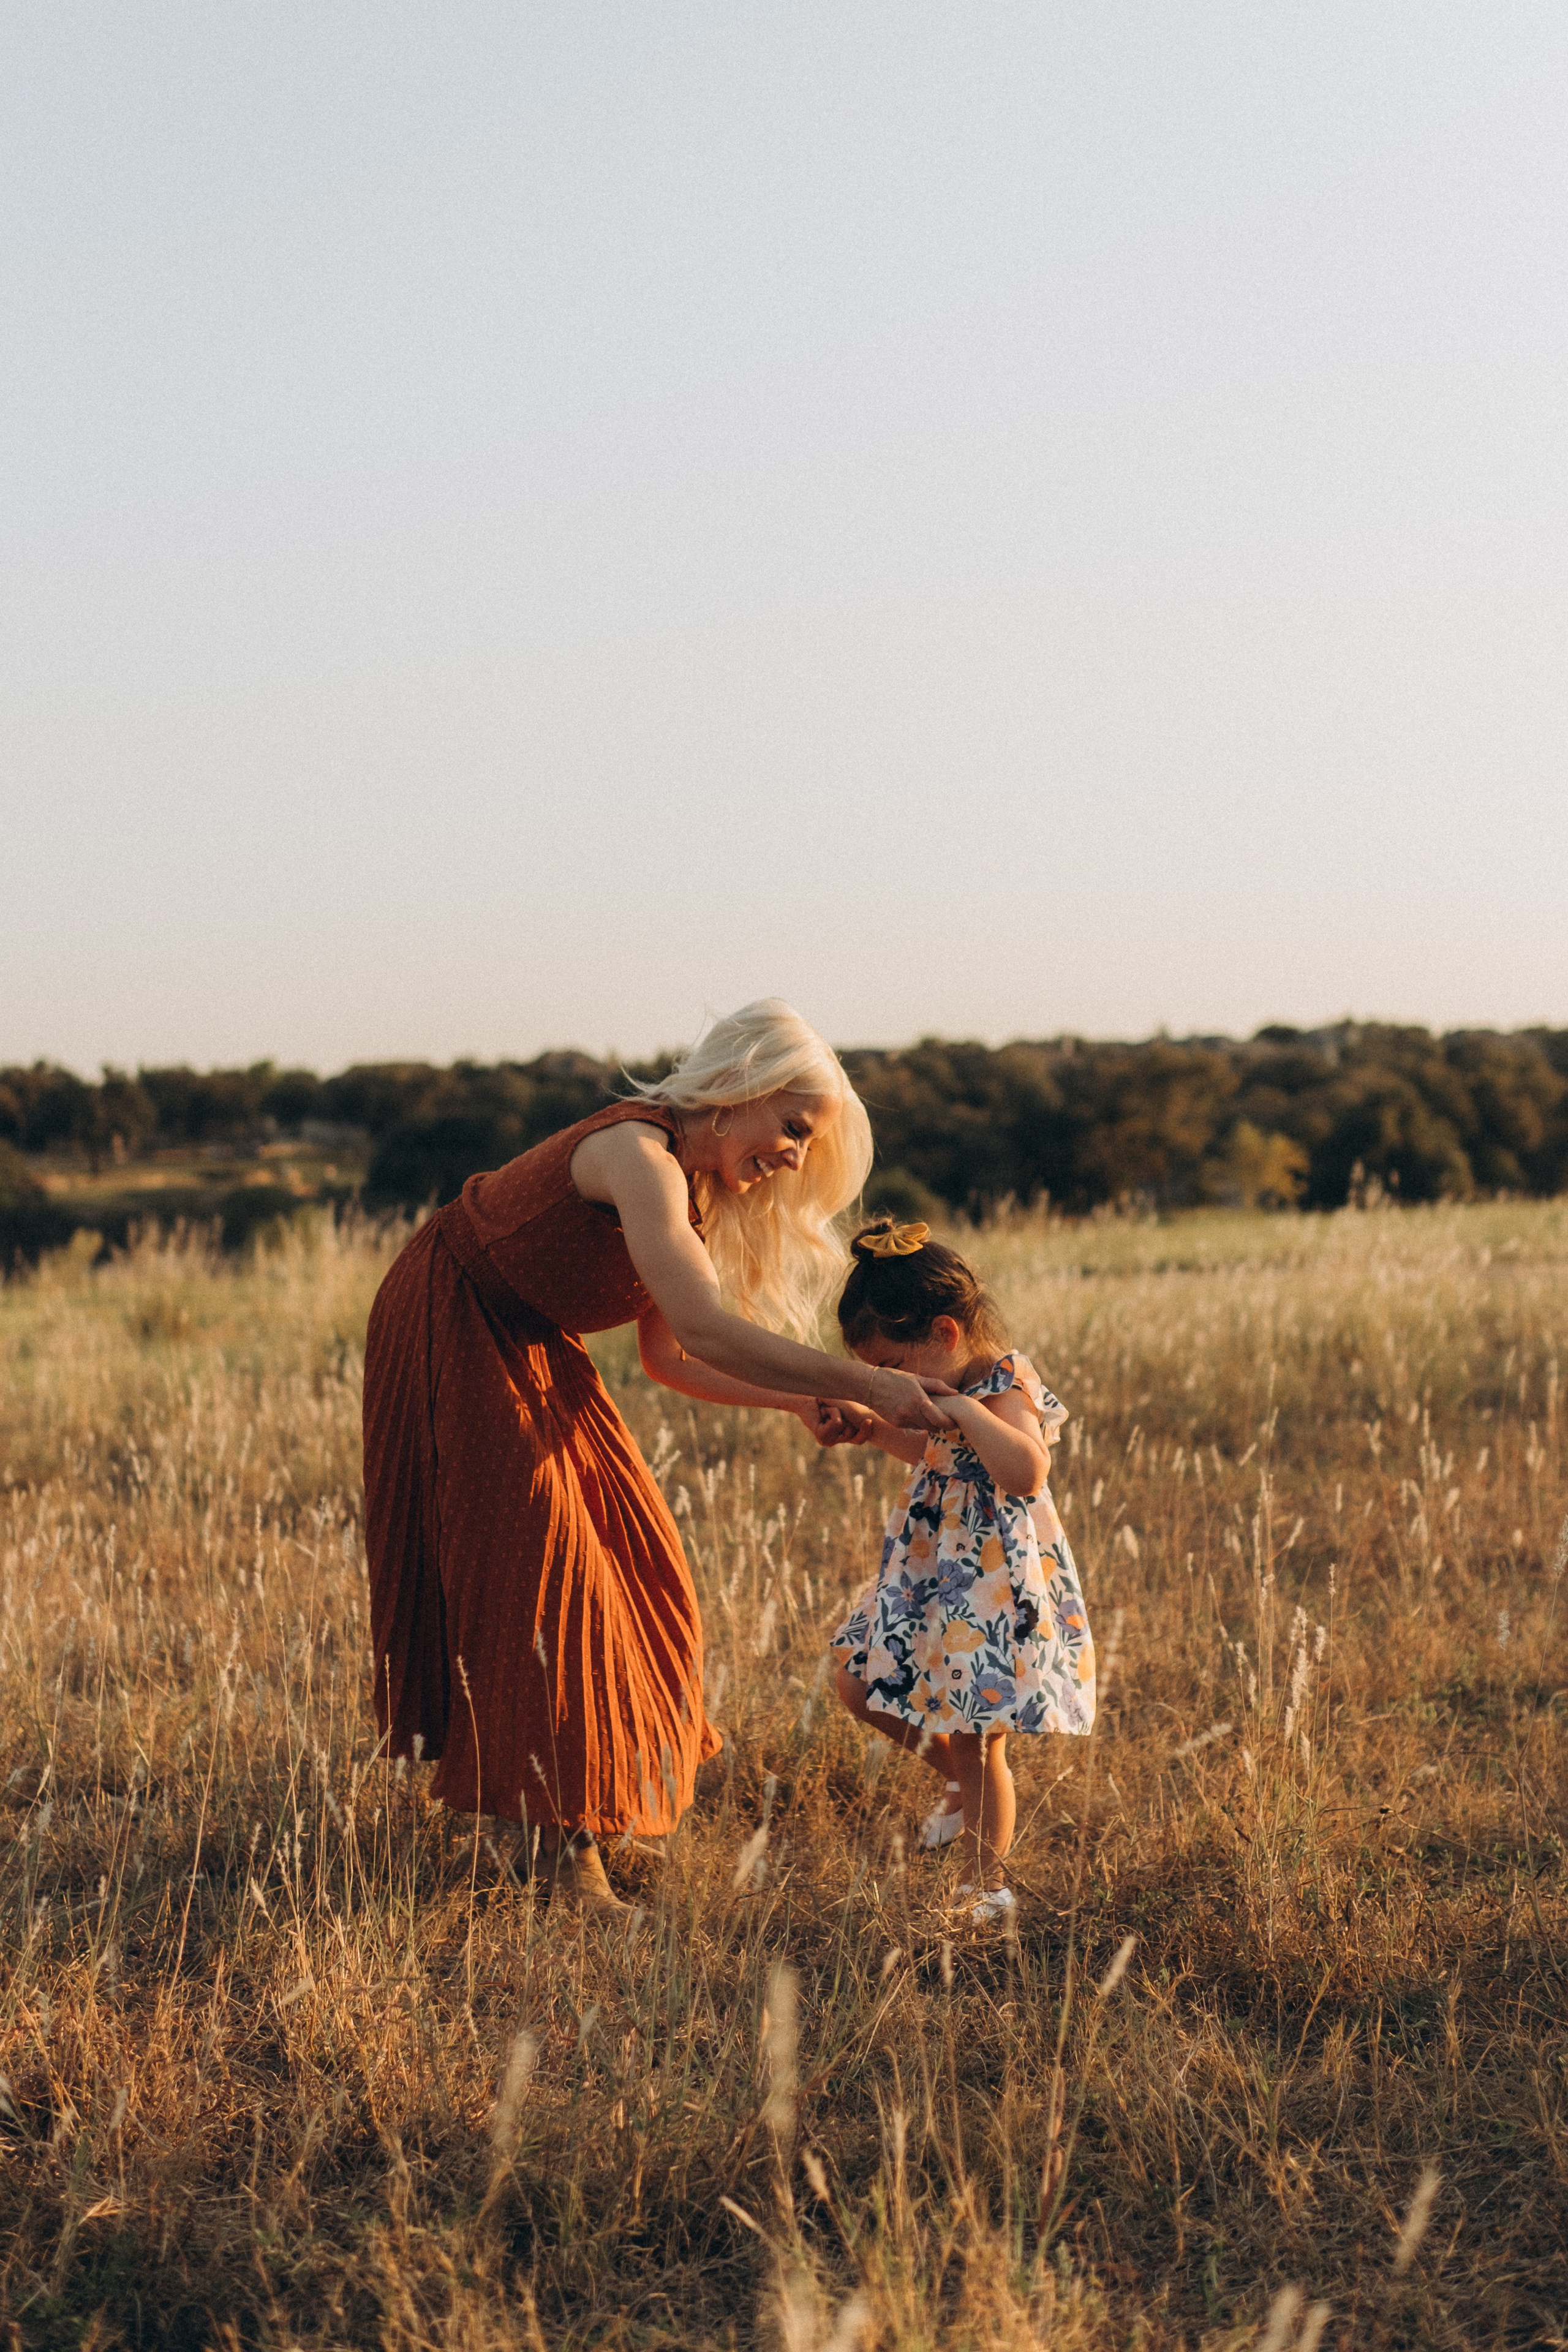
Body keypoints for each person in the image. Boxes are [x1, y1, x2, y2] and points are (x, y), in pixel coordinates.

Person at [361, 1001, 954, 1911]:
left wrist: (804, 1402)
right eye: (792, 1127)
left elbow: (666, 1356)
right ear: (738, 1089)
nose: (795, 1156)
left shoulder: (696, 1188)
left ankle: (544, 1827)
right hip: (453, 1314)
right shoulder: (636, 1156)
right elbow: (702, 1328)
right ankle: (557, 1864)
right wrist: (872, 1387)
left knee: (642, 1570)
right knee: (547, 1580)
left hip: (527, 1340)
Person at [823, 1218, 1096, 1924]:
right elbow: (931, 1456)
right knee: (857, 1683)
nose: (883, 1384)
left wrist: (961, 1412)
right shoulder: (934, 1393)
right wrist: (876, 1429)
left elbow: (1025, 1469)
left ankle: (986, 1888)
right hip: (927, 1575)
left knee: (979, 1739)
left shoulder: (1006, 1384)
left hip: (991, 1589)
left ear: (944, 1335)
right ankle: (955, 1787)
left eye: (889, 1367)